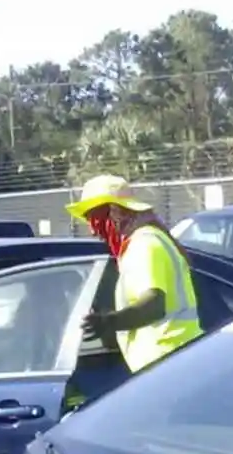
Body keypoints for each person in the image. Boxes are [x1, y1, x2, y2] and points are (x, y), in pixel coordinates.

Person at [60, 174, 202, 413]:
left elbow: (154, 304)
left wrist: (109, 322)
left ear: (115, 212)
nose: (94, 232)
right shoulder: (146, 242)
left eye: (94, 221)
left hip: (165, 364)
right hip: (169, 363)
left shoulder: (145, 244)